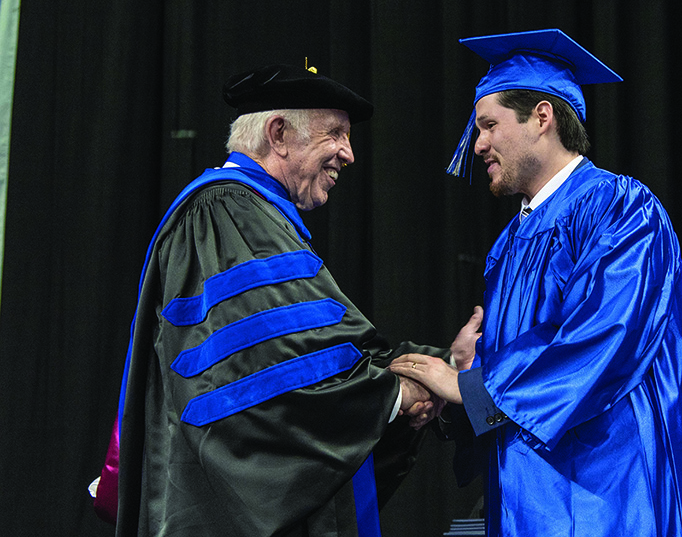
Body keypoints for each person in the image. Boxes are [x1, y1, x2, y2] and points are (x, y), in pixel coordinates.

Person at [96, 64, 452, 537]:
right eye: (336, 134)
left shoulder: (257, 215)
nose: (349, 153)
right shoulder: (226, 213)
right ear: (279, 133)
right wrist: (395, 393)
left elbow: (320, 347)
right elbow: (265, 367)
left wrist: (442, 366)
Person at [390, 29, 682, 536]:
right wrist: (462, 382)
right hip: (525, 491)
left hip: (604, 491)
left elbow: (606, 335)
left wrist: (475, 389)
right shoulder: (511, 240)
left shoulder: (621, 207)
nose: (477, 145)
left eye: (488, 126)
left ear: (541, 117)